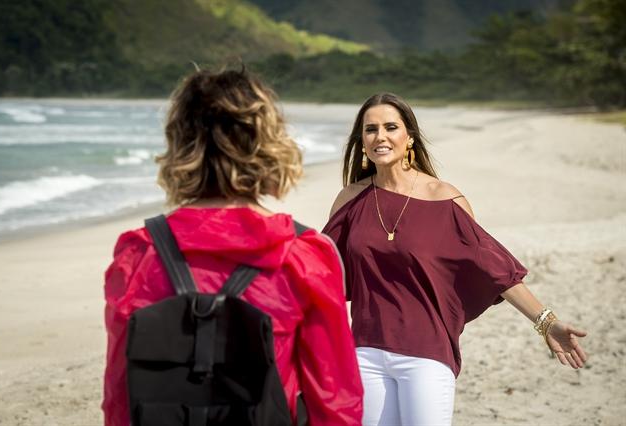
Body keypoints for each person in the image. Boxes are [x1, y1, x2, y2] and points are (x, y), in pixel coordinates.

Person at [102, 68, 363, 426]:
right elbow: (335, 402)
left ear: (180, 142)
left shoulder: (137, 254)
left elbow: (120, 395)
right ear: (267, 143)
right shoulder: (303, 257)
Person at [322, 93, 588, 426]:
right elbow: (319, 273)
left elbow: (496, 270)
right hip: (365, 352)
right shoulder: (350, 200)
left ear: (410, 138)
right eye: (371, 129)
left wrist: (546, 322)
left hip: (427, 354)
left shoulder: (444, 199)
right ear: (362, 141)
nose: (381, 136)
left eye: (391, 127)